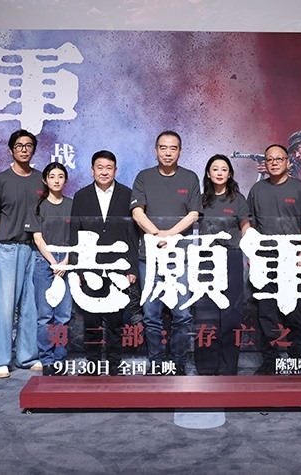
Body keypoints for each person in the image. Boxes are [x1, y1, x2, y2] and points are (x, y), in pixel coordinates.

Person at [246, 144, 301, 375]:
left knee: (293, 312)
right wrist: (252, 253)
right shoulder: (257, 190)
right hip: (266, 260)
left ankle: (295, 358)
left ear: (288, 162)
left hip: (291, 260)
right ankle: (270, 361)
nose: (274, 163)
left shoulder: (300, 188)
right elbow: (250, 225)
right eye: (270, 159)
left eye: (279, 159)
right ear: (265, 163)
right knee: (266, 313)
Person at [130, 130, 201, 375]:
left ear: (180, 151)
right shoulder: (144, 177)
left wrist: (169, 235)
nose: (168, 153)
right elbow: (137, 212)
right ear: (156, 150)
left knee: (182, 314)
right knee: (151, 314)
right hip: (149, 256)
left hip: (180, 257)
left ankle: (178, 363)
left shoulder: (190, 178)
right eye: (163, 147)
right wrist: (156, 235)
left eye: (173, 148)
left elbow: (194, 214)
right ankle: (157, 363)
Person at [71, 150, 138, 376]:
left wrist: (131, 268)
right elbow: (74, 233)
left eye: (109, 167)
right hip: (90, 266)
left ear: (115, 170)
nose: (104, 172)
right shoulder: (81, 196)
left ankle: (114, 364)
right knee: (91, 319)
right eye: (99, 167)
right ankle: (92, 364)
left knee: (115, 320)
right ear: (92, 170)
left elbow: (133, 235)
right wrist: (78, 269)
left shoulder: (127, 195)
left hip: (118, 267)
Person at [0, 130, 44, 378]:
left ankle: (27, 356)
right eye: (19, 145)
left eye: (28, 145)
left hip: (35, 249)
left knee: (31, 305)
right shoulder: (0, 180)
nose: (24, 149)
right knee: (4, 305)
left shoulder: (41, 180)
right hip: (8, 249)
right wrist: (3, 236)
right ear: (11, 150)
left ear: (34, 150)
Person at [195, 155, 250, 375]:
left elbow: (245, 227)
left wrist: (250, 252)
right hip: (206, 259)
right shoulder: (200, 200)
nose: (219, 173)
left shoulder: (238, 199)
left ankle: (229, 366)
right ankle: (207, 366)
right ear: (208, 174)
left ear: (230, 174)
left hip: (231, 257)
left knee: (231, 312)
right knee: (206, 312)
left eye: (224, 169)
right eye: (215, 169)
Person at [27, 162, 74, 375]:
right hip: (44, 261)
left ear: (66, 180)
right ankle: (46, 360)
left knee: (63, 315)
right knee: (45, 315)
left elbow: (76, 237)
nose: (56, 180)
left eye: (60, 176)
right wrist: (54, 262)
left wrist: (65, 261)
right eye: (52, 176)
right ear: (45, 180)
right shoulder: (38, 207)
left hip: (68, 261)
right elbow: (38, 239)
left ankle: (60, 359)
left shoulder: (72, 205)